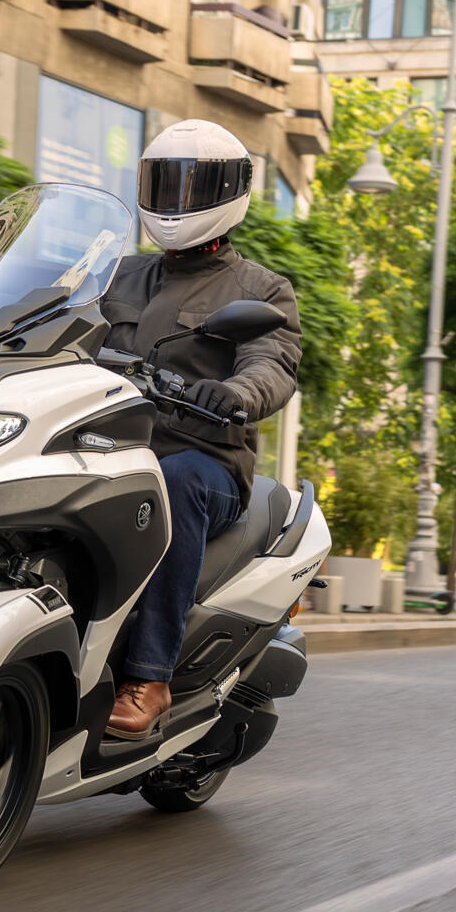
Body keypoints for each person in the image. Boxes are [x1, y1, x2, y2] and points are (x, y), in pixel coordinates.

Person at [97, 120, 301, 741]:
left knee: (172, 482)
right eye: (165, 184)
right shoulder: (114, 274)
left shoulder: (261, 289)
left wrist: (237, 393)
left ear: (230, 194)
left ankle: (149, 676)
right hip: (105, 449)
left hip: (203, 461)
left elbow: (272, 364)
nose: (175, 201)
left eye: (192, 187)